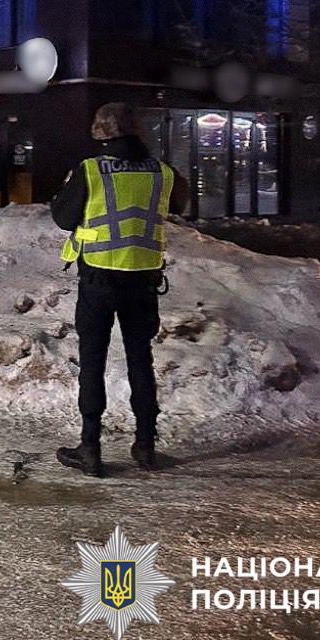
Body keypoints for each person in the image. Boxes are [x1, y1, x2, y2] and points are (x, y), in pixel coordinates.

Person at [51, 102, 190, 477]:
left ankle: (91, 446)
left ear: (100, 132)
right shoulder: (163, 173)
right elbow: (184, 205)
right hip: (142, 280)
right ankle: (146, 445)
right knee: (140, 359)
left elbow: (64, 218)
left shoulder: (91, 170)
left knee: (92, 361)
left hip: (98, 279)